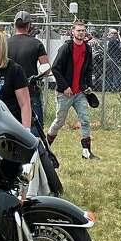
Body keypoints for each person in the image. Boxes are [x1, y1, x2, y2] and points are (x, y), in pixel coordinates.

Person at [47, 20, 98, 159]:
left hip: (79, 93)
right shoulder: (66, 48)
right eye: (79, 30)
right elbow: (55, 68)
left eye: (83, 30)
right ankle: (45, 149)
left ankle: (86, 152)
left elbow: (89, 69)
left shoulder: (87, 49)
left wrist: (88, 85)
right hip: (65, 93)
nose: (81, 32)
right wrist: (65, 87)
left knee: (85, 120)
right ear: (73, 32)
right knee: (59, 122)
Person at [7, 11, 50, 128]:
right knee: (35, 129)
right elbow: (46, 69)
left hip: (8, 91)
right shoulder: (36, 44)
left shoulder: (5, 44)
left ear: (14, 25)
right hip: (29, 90)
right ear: (29, 25)